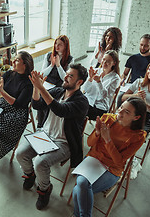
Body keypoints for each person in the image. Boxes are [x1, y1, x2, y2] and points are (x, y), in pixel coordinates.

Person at [16, 64, 89, 210]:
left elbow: (60, 109)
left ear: (79, 82)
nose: (66, 77)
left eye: (70, 76)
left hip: (64, 143)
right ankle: (30, 175)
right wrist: (37, 88)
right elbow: (37, 105)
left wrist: (42, 88)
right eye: (66, 74)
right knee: (20, 153)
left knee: (40, 163)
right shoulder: (58, 90)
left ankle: (44, 190)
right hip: (45, 134)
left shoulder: (82, 102)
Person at [72, 97, 147, 217]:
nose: (120, 112)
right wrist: (97, 133)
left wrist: (107, 140)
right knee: (81, 184)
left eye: (126, 112)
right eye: (121, 107)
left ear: (136, 117)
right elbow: (89, 144)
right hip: (94, 158)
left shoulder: (138, 136)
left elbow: (118, 161)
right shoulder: (107, 118)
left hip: (112, 168)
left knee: (79, 188)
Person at [38, 35, 74, 128]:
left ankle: (44, 123)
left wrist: (58, 65)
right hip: (47, 83)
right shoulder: (49, 55)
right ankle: (40, 124)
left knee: (48, 98)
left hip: (59, 85)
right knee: (41, 94)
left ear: (65, 46)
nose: (56, 47)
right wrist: (51, 66)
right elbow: (42, 74)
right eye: (56, 44)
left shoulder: (70, 59)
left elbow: (66, 78)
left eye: (60, 45)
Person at [117, 34, 150, 107]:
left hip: (147, 87)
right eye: (141, 45)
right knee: (120, 97)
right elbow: (125, 74)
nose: (143, 48)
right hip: (132, 86)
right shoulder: (133, 58)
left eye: (146, 46)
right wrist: (122, 79)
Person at [82, 50, 120, 120]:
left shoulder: (115, 78)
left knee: (78, 109)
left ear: (114, 63)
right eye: (104, 59)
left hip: (100, 107)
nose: (104, 62)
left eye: (108, 61)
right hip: (88, 102)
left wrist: (98, 82)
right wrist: (90, 78)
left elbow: (103, 96)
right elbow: (86, 90)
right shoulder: (97, 71)